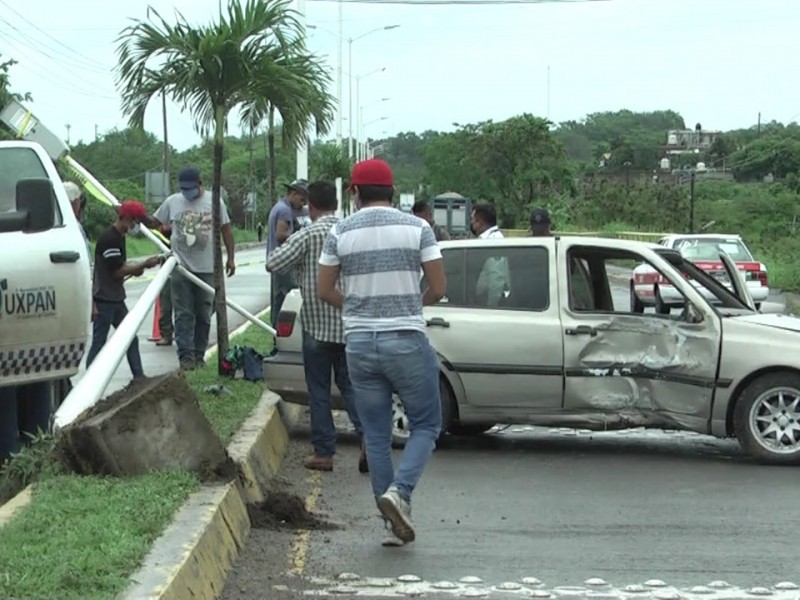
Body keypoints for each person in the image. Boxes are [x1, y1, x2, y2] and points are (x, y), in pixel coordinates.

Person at [317, 159, 447, 547]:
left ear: (355, 192)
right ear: (392, 191)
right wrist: (410, 306)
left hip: (359, 343)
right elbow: (438, 287)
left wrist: (359, 310)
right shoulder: (418, 227)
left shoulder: (340, 230)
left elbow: (325, 290)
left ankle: (391, 523)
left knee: (375, 435)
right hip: (406, 338)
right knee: (426, 424)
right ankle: (400, 493)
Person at [266, 181, 366, 474]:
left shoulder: (307, 234)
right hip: (350, 324)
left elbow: (273, 263)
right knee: (352, 388)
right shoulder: (353, 233)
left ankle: (324, 453)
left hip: (317, 326)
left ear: (310, 205)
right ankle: (370, 442)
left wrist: (300, 265)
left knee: (319, 389)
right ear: (336, 203)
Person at [152, 166, 237, 371]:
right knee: (183, 314)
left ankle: (199, 355)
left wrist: (231, 258)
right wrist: (133, 215)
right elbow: (154, 221)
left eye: (190, 188)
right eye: (183, 189)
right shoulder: (172, 202)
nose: (187, 193)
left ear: (200, 184)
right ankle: (186, 358)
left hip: (207, 269)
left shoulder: (215, 202)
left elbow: (226, 230)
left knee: (203, 314)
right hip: (180, 268)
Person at [85, 201, 162, 378]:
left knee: (130, 338)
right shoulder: (110, 239)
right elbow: (117, 270)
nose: (137, 226)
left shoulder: (119, 236)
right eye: (136, 221)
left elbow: (119, 265)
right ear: (127, 218)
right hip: (105, 300)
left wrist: (135, 269)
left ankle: (139, 377)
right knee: (99, 343)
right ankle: (88, 383)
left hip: (115, 298)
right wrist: (142, 264)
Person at [267, 179, 308, 328]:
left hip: (282, 265)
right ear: (293, 193)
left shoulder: (283, 208)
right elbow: (281, 235)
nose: (303, 203)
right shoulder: (284, 210)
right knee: (285, 303)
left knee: (280, 301)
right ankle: (278, 336)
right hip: (285, 265)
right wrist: (303, 237)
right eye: (302, 199)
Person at [470, 203, 508, 306]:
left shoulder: (493, 242)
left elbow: (496, 277)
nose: (471, 223)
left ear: (480, 222)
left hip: (489, 302)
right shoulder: (486, 240)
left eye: (472, 220)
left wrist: (491, 305)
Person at [154, 222, 174, 346]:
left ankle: (189, 333)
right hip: (167, 271)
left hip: (185, 267)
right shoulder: (163, 236)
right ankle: (166, 334)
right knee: (165, 305)